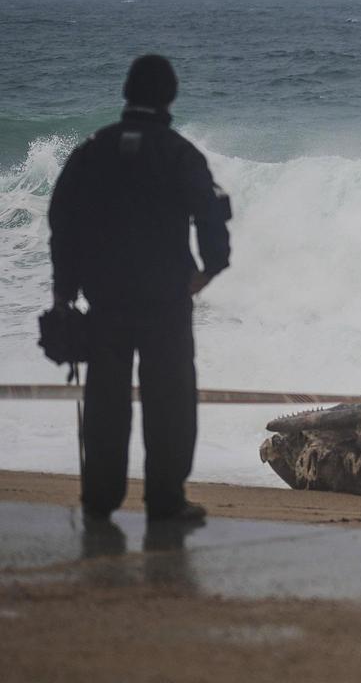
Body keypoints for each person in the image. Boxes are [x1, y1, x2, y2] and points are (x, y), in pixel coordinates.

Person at [48, 54, 231, 524]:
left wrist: (65, 290)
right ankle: (166, 499)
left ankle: (99, 499)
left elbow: (62, 220)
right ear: (169, 96)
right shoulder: (178, 152)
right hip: (164, 297)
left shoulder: (94, 148)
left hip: (104, 296)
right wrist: (211, 268)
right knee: (169, 399)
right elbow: (211, 212)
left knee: (106, 399)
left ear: (127, 93)